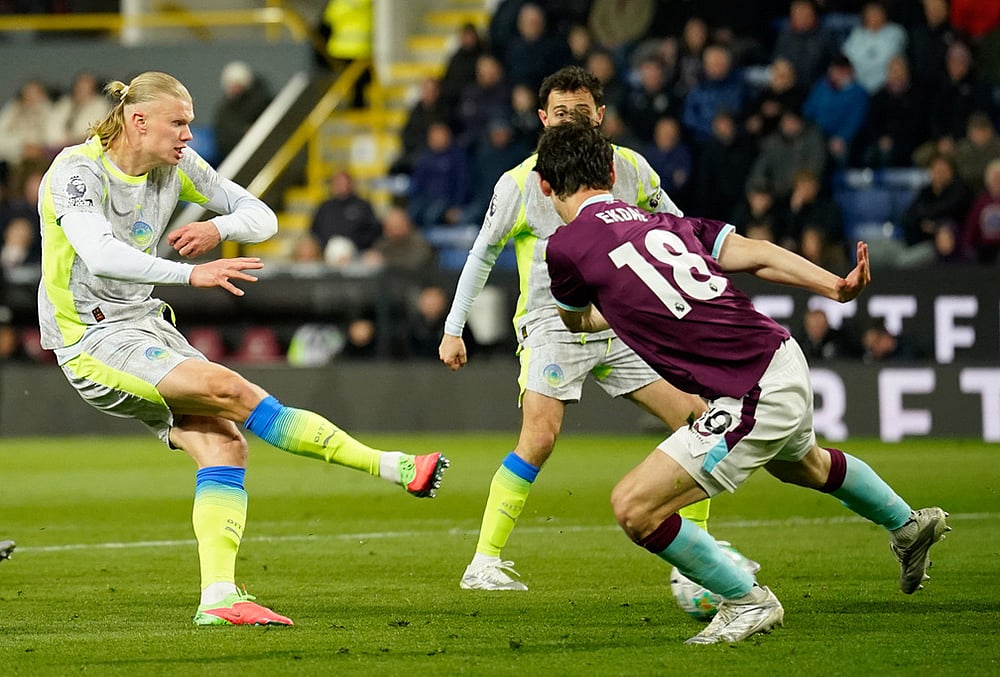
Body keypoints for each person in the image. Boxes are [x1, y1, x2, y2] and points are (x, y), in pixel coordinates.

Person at [36, 71, 448, 627]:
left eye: (190, 122)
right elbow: (102, 255)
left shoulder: (176, 168)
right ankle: (395, 468)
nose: (189, 134)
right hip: (90, 336)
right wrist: (191, 274)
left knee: (227, 447)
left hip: (145, 326)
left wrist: (218, 227)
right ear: (138, 122)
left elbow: (263, 217)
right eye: (178, 123)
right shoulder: (76, 171)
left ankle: (219, 599)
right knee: (230, 388)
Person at [534, 118, 949, 645]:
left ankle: (746, 600)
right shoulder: (663, 223)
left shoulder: (566, 248)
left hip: (752, 390)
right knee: (807, 465)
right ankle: (908, 526)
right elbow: (757, 252)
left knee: (635, 507)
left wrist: (602, 312)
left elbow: (577, 319)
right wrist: (835, 286)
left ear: (546, 186)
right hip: (781, 356)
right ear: (613, 172)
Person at [438, 66, 708, 592]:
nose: (570, 122)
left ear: (600, 116)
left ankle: (694, 562)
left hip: (620, 321)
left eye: (581, 114)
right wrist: (454, 328)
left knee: (699, 422)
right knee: (539, 438)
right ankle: (483, 562)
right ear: (543, 118)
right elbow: (481, 254)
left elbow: (677, 229)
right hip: (551, 323)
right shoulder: (520, 182)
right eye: (560, 113)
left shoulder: (629, 168)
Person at [308, 169, 382, 267]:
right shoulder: (324, 207)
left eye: (343, 182)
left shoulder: (363, 206)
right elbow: (314, 231)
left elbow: (374, 231)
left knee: (373, 259)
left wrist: (354, 245)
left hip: (358, 253)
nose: (340, 186)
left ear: (351, 184)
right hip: (326, 252)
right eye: (337, 183)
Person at [213, 61, 272, 162]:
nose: (234, 90)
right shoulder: (224, 111)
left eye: (237, 85)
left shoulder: (263, 104)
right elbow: (224, 138)